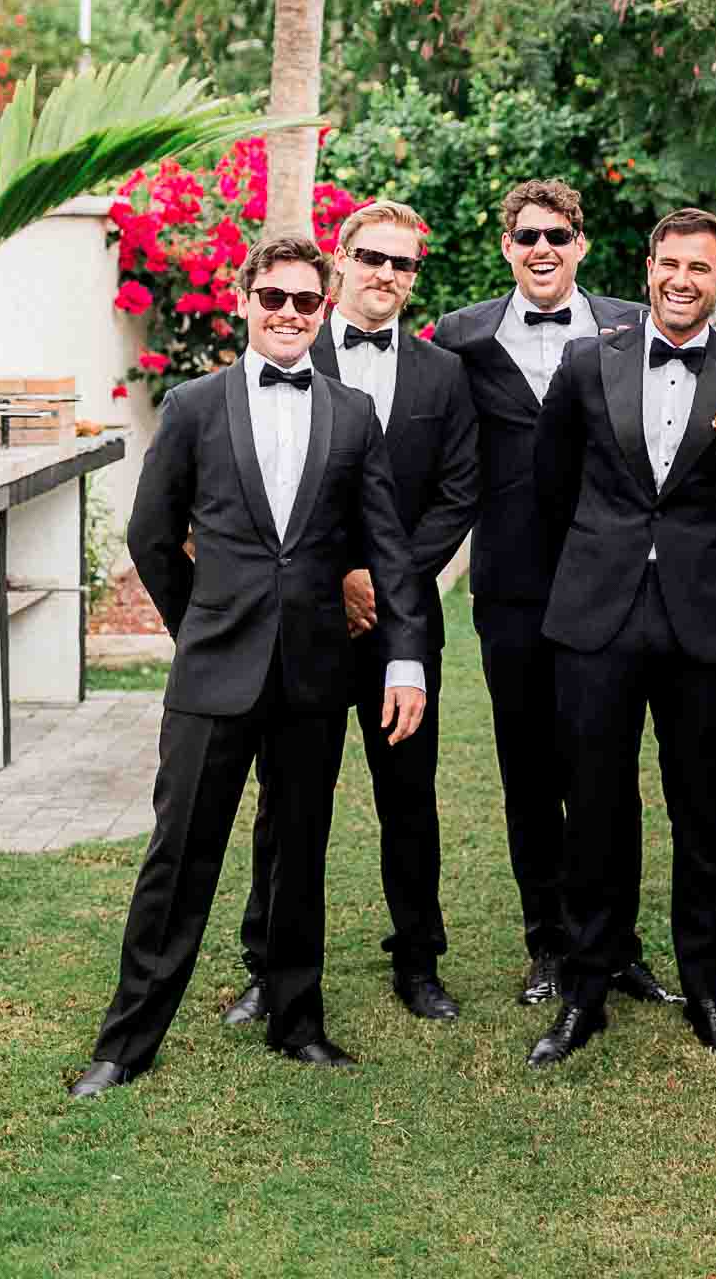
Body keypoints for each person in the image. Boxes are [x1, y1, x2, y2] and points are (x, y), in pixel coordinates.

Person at [70, 237, 427, 1099]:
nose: (291, 315)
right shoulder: (193, 406)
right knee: (179, 854)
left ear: (325, 303)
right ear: (244, 300)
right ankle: (127, 1041)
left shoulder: (351, 413)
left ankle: (296, 1021)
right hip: (214, 671)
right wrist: (198, 623)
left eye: (307, 301)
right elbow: (150, 536)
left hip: (313, 671)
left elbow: (388, 547)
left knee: (300, 853)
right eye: (275, 298)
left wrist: (405, 659)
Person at [526, 208, 716, 1067]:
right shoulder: (583, 363)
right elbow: (549, 486)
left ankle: (707, 992)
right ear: (647, 269)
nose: (682, 279)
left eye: (701, 267)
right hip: (595, 618)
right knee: (596, 809)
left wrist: (709, 563)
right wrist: (607, 557)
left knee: (700, 812)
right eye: (669, 263)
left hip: (699, 623)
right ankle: (585, 992)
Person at [230, 199, 477, 1028]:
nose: (386, 275)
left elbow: (456, 493)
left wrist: (386, 578)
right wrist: (338, 576)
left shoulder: (444, 376)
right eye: (372, 257)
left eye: (403, 264)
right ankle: (268, 965)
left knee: (409, 794)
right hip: (303, 620)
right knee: (290, 798)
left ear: (415, 277)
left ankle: (418, 961)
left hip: (401, 623)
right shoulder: (295, 345)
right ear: (340, 260)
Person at [431, 180, 664, 1011]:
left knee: (608, 771)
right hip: (513, 591)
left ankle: (620, 943)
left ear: (582, 245)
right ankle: (548, 944)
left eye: (557, 236)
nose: (542, 250)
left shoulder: (633, 326)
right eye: (527, 236)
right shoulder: (460, 338)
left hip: (612, 583)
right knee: (529, 772)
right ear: (506, 246)